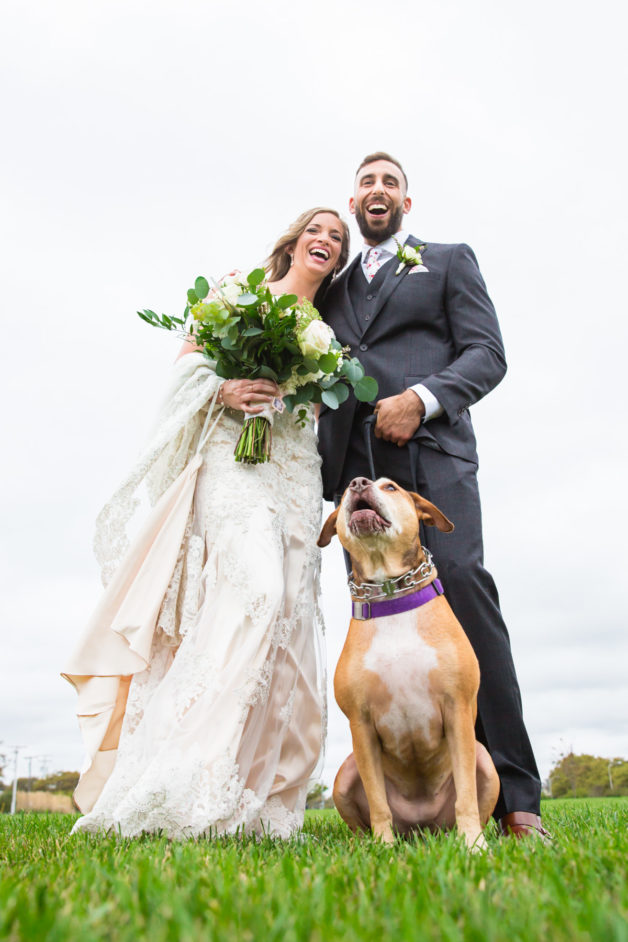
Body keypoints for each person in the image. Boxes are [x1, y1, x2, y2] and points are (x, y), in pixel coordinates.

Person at [63, 208, 349, 839]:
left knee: (292, 619)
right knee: (255, 592)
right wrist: (224, 389)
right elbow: (185, 368)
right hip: (235, 464)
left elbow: (317, 414)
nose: (325, 239)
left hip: (296, 474)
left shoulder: (328, 335)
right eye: (316, 229)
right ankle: (185, 775)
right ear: (294, 240)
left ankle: (265, 799)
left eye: (337, 236)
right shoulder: (235, 294)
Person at [317, 153, 549, 840]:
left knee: (466, 592)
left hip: (433, 459)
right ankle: (403, 802)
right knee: (380, 634)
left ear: (406, 204)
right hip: (357, 477)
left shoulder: (447, 261)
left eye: (390, 182)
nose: (378, 190)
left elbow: (487, 354)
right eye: (367, 181)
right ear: (353, 200)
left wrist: (422, 400)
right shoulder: (329, 290)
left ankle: (516, 798)